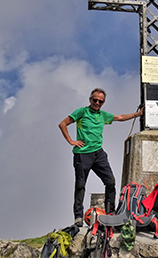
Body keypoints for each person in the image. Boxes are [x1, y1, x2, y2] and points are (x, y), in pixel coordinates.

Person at [58, 88, 144, 227]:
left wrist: (137, 114)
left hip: (98, 154)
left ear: (103, 102)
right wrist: (71, 141)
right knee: (80, 185)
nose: (97, 103)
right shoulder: (82, 112)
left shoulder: (103, 115)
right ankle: (78, 217)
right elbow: (63, 124)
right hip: (82, 154)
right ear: (90, 99)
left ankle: (110, 213)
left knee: (110, 181)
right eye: (95, 100)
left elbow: (120, 117)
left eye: (100, 101)